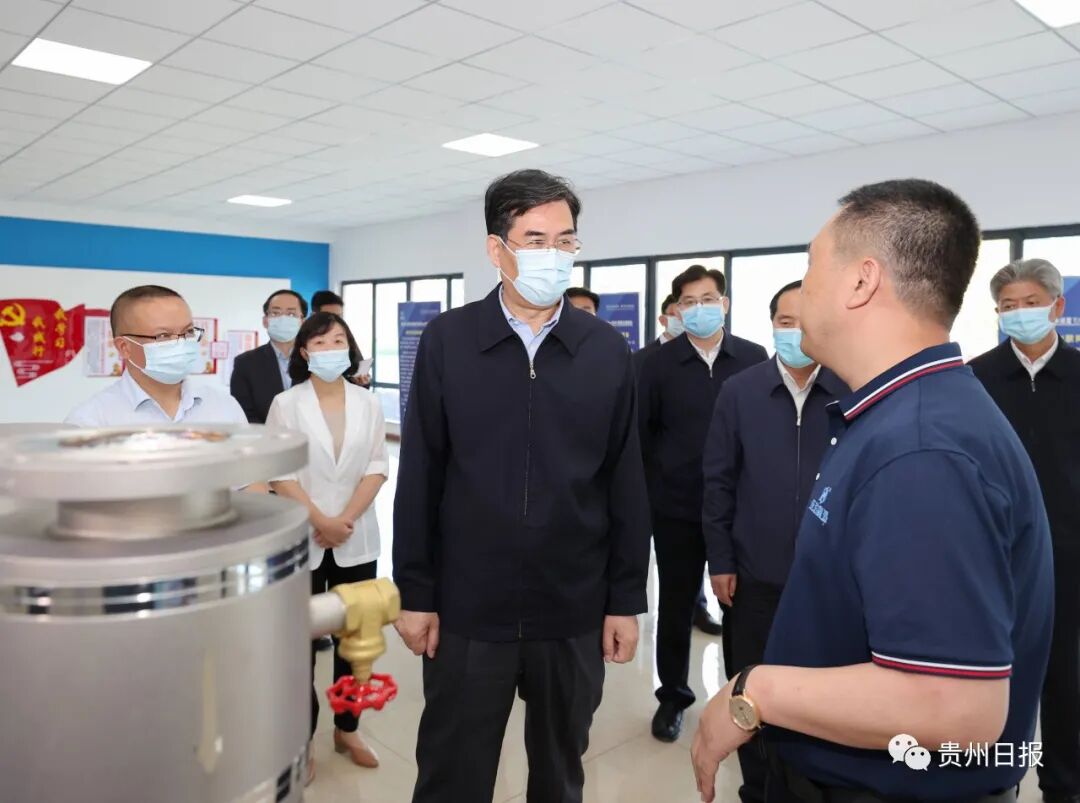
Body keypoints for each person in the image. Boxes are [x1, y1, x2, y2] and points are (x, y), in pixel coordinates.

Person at [690, 179, 1054, 803]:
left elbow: (956, 709)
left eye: (811, 267)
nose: (802, 289)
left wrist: (755, 692)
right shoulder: (902, 413)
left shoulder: (921, 449)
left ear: (861, 281)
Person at [393, 169, 650, 803]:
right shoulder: (450, 341)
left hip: (572, 604)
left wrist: (624, 598)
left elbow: (624, 479)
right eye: (535, 240)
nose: (553, 255)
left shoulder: (605, 349)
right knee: (452, 773)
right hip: (468, 605)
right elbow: (421, 472)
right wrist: (416, 592)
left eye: (565, 241)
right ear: (497, 248)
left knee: (560, 773)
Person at [702, 279, 846, 802]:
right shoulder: (741, 391)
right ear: (771, 326)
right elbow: (718, 480)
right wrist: (720, 559)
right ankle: (758, 790)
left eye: (805, 321)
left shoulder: (849, 389)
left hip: (830, 582)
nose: (796, 331)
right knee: (750, 692)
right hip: (754, 575)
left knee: (821, 699)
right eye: (785, 321)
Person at [638, 264, 768, 743]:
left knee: (741, 606)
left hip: (739, 507)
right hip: (677, 508)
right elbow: (643, 437)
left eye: (708, 299)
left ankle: (743, 697)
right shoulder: (657, 364)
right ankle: (673, 697)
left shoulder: (752, 358)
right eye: (689, 302)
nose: (699, 309)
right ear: (677, 309)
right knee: (676, 605)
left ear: (725, 304)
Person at [969, 258, 1080, 803]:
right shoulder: (976, 378)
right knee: (998, 680)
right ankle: (996, 782)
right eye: (1007, 306)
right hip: (996, 556)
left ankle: (1063, 786)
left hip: (1069, 555)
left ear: (1057, 307)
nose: (1019, 314)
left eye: (1031, 303)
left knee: (1067, 681)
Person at [266, 311, 389, 786]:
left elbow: (377, 466)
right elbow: (280, 473)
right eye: (320, 342)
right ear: (304, 352)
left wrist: (345, 521)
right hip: (304, 536)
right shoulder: (286, 403)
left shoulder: (367, 402)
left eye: (339, 340)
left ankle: (347, 729)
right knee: (299, 645)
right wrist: (321, 521)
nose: (331, 348)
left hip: (356, 538)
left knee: (355, 642)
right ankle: (301, 741)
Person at [633, 293, 723, 638]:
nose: (694, 313)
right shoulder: (647, 361)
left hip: (716, 491)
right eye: (684, 307)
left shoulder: (741, 358)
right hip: (668, 491)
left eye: (707, 301)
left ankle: (699, 608)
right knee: (675, 585)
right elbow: (642, 429)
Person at [66, 285, 248, 428]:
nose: (181, 343)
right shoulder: (91, 421)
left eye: (188, 332)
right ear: (124, 347)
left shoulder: (225, 408)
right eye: (163, 336)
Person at [230, 289, 308, 424]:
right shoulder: (245, 363)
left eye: (291, 314)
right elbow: (243, 413)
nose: (283, 319)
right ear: (265, 321)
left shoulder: (313, 360)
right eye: (275, 313)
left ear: (302, 321)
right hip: (264, 436)